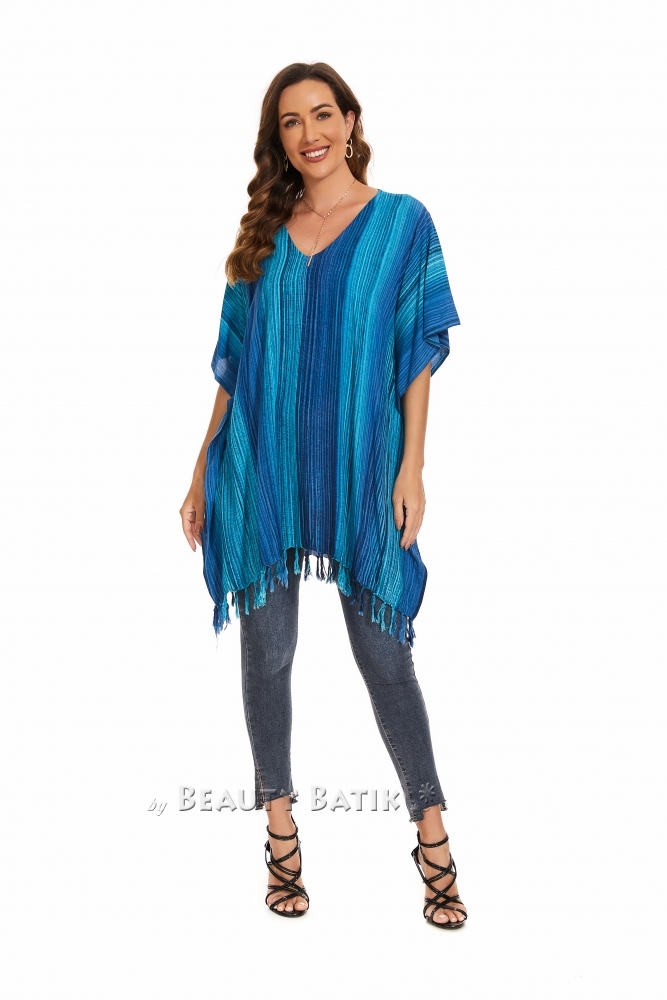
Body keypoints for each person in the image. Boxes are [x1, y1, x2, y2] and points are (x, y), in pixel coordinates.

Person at [179, 62, 467, 928]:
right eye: (290, 121)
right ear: (277, 139)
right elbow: (234, 365)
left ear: (349, 120)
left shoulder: (401, 223)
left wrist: (411, 467)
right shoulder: (263, 234)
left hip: (359, 469)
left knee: (385, 659)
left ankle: (432, 837)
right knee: (266, 656)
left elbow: (416, 355)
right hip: (260, 470)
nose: (308, 133)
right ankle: (280, 836)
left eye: (321, 113)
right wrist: (199, 469)